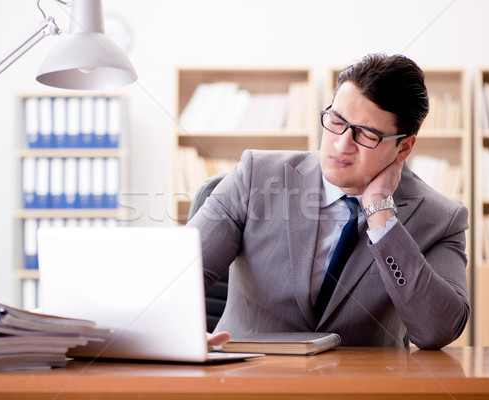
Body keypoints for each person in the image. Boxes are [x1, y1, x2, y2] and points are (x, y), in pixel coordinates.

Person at [189, 53, 470, 350]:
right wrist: (183, 334)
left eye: (366, 135)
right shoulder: (255, 176)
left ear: (404, 147)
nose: (341, 144)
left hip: (360, 387)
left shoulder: (440, 219)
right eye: (337, 121)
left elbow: (438, 331)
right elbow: (174, 282)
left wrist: (381, 216)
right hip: (244, 380)